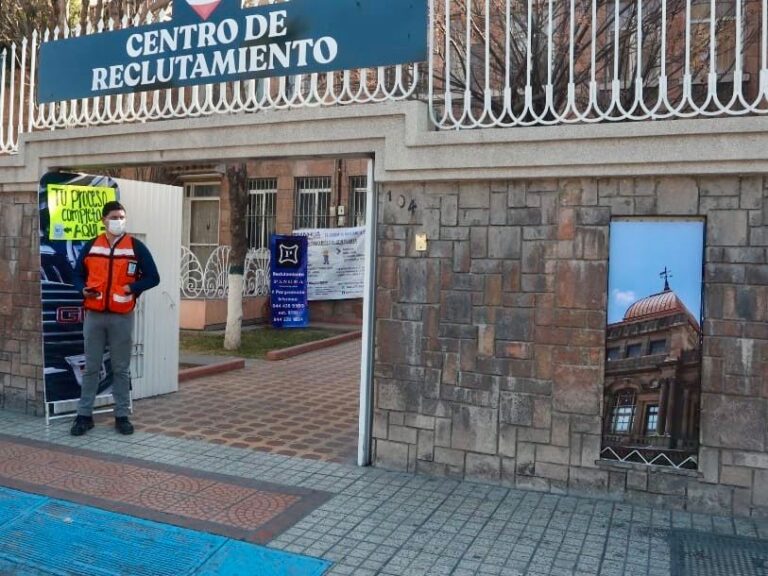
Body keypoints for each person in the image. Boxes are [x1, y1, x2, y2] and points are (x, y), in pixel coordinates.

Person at [70, 201, 160, 436]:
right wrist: (82, 289)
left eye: (121, 217)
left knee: (120, 368)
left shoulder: (135, 247)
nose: (118, 221)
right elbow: (77, 274)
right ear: (104, 220)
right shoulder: (92, 246)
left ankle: (122, 415)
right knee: (90, 368)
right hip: (94, 315)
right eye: (114, 217)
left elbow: (153, 277)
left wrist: (133, 288)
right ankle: (84, 416)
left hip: (122, 317)